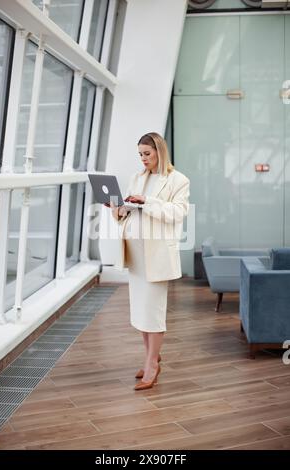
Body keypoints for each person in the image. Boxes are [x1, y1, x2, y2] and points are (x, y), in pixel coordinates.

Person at [105, 132, 190, 390]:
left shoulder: (178, 180)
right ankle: (151, 357)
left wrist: (147, 201)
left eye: (147, 154)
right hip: (136, 254)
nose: (143, 159)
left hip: (157, 256)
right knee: (141, 312)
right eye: (140, 154)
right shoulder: (137, 178)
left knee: (152, 313)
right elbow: (129, 216)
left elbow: (178, 212)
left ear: (159, 152)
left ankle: (153, 364)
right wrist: (117, 210)